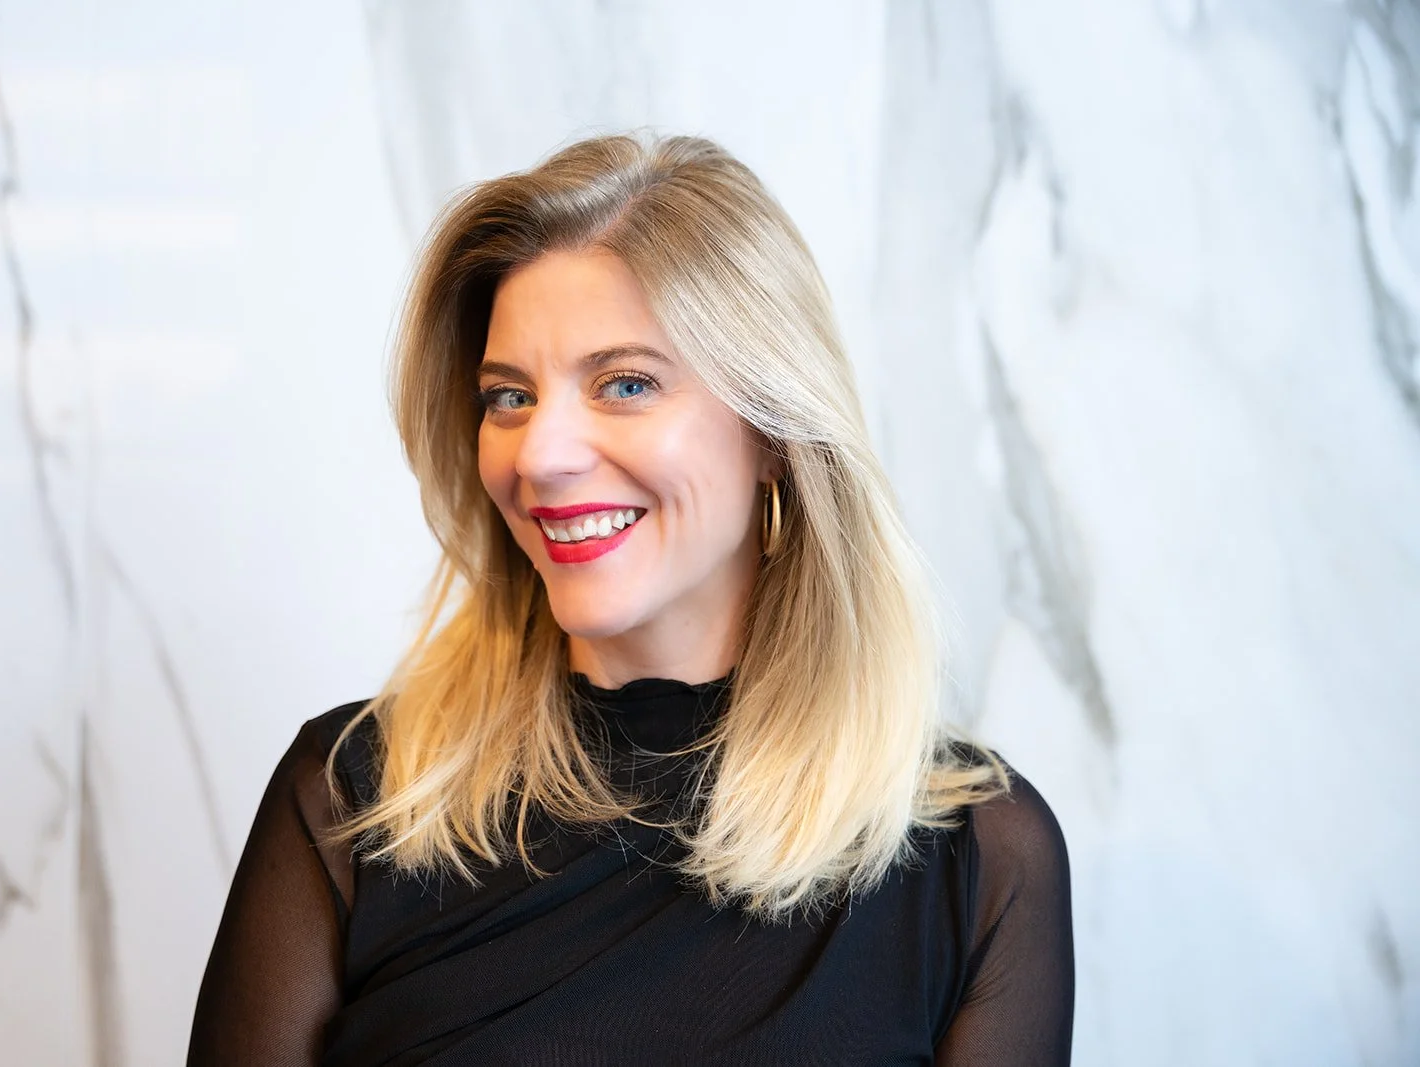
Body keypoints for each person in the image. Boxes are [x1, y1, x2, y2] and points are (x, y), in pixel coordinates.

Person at [187, 133, 1073, 1066]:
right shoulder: (353, 801)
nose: (540, 454)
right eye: (508, 396)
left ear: (774, 428)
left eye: (625, 383)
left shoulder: (976, 857)